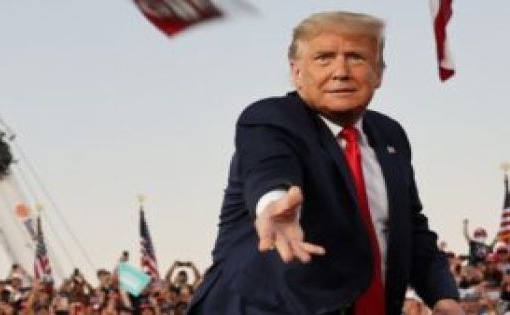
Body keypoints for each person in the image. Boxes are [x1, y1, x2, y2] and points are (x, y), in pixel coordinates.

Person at [187, 11, 462, 315]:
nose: (341, 71)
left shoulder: (391, 135)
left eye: (356, 57)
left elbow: (409, 229)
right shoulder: (270, 120)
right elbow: (269, 167)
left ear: (379, 73)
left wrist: (442, 296)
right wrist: (273, 204)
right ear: (297, 72)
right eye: (324, 58)